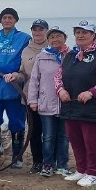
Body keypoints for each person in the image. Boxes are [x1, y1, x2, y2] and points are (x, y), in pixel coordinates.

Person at [57, 21, 96, 187]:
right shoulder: (71, 55)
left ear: (93, 35)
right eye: (77, 32)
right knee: (76, 140)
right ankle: (81, 169)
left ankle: (93, 173)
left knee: (92, 142)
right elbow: (58, 77)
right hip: (70, 106)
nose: (80, 35)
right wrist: (61, 90)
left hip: (93, 109)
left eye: (85, 32)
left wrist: (92, 92)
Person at [0, 8, 32, 168]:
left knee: (16, 123)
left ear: (16, 20)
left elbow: (21, 62)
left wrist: (0, 67)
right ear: (0, 20)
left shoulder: (24, 38)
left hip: (13, 87)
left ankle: (17, 156)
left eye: (10, 17)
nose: (7, 20)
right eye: (4, 17)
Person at [5, 19, 50, 173]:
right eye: (35, 29)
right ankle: (37, 162)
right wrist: (14, 76)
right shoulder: (26, 50)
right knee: (34, 132)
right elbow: (23, 73)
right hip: (30, 97)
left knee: (50, 132)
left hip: (50, 97)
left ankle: (51, 162)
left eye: (41, 29)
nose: (37, 32)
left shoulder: (53, 48)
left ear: (47, 32)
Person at [27, 26, 70, 177]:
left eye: (59, 36)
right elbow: (34, 80)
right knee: (48, 136)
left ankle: (63, 165)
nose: (55, 39)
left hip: (66, 104)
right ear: (48, 40)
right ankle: (47, 164)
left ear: (65, 38)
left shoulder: (71, 55)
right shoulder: (42, 56)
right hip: (46, 103)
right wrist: (33, 100)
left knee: (64, 137)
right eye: (52, 37)